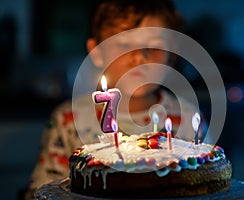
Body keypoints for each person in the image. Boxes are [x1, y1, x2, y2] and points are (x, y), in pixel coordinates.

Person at [23, 0, 207, 199]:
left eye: (154, 47)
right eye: (124, 44)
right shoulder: (68, 120)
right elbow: (42, 191)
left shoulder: (189, 120)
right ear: (96, 51)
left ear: (171, 55)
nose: (139, 58)